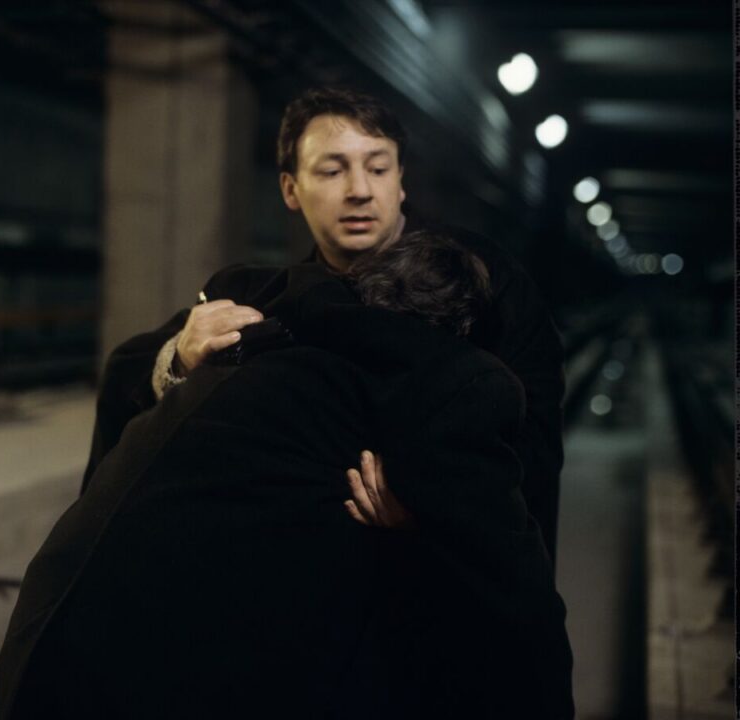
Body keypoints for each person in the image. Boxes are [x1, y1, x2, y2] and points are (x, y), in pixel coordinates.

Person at [0, 233, 574, 720]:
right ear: (464, 333)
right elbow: (521, 608)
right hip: (147, 710)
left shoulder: (262, 346)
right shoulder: (448, 382)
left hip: (37, 676)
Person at [82, 86, 565, 561]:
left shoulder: (483, 278)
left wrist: (435, 501)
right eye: (332, 170)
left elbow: (534, 432)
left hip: (439, 580)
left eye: (377, 168)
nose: (359, 190)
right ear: (291, 189)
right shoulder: (268, 293)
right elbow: (129, 371)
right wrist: (180, 357)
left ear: (401, 182)